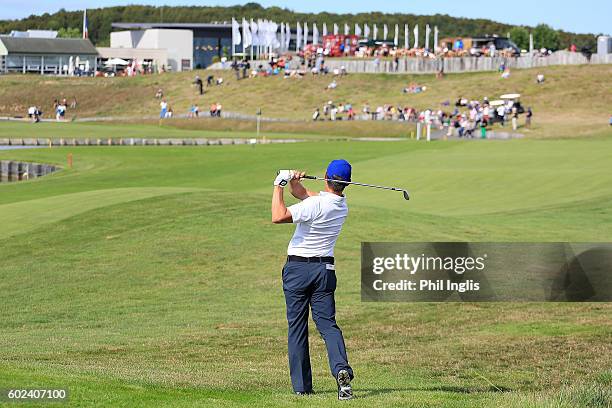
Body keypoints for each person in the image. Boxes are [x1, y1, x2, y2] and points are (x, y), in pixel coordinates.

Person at [271, 161, 355, 400]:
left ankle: (301, 387)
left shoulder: (316, 204)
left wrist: (278, 185)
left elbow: (278, 216)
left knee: (297, 327)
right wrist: (294, 182)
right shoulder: (340, 204)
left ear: (327, 176)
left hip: (298, 270)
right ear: (345, 184)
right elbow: (303, 195)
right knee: (328, 325)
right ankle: (341, 369)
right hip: (324, 271)